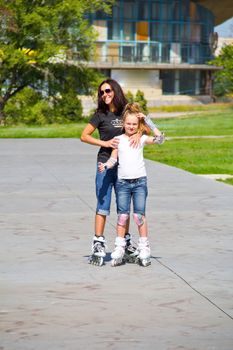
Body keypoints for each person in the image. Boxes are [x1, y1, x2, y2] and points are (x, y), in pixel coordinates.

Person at [81, 79, 163, 266]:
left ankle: (125, 242)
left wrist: (136, 133)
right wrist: (105, 144)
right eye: (102, 92)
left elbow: (138, 124)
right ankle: (98, 243)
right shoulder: (100, 115)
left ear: (115, 91)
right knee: (103, 202)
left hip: (125, 167)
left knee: (122, 208)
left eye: (108, 90)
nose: (105, 95)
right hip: (105, 161)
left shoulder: (126, 111)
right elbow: (84, 136)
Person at [98, 103, 165, 267]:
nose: (131, 126)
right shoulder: (118, 140)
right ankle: (120, 247)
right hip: (122, 183)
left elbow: (160, 139)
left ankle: (144, 247)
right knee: (123, 216)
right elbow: (114, 158)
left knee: (139, 216)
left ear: (138, 125)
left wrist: (148, 121)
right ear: (123, 124)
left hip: (140, 182)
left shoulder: (141, 138)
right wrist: (106, 165)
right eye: (128, 123)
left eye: (134, 124)